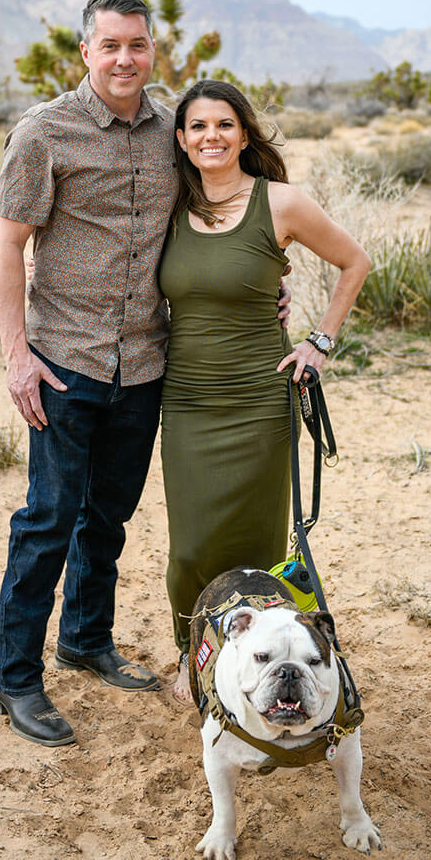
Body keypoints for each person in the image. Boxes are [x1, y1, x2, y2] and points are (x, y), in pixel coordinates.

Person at [0, 0, 179, 748]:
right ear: (86, 54)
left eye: (137, 44)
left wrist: (274, 277)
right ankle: (15, 679)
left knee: (110, 517)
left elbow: (220, 209)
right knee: (47, 520)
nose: (125, 58)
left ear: (152, 49)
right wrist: (16, 358)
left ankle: (87, 639)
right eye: (111, 46)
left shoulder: (175, 128)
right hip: (65, 362)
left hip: (145, 362)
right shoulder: (45, 132)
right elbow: (6, 248)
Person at [158, 80, 371, 704]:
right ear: (181, 139)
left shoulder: (280, 204)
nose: (211, 137)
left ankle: (253, 667)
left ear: (244, 135)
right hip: (189, 399)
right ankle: (193, 657)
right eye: (197, 127)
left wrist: (320, 342)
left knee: (255, 547)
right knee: (190, 549)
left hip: (259, 396)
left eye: (224, 125)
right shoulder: (170, 206)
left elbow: (354, 262)